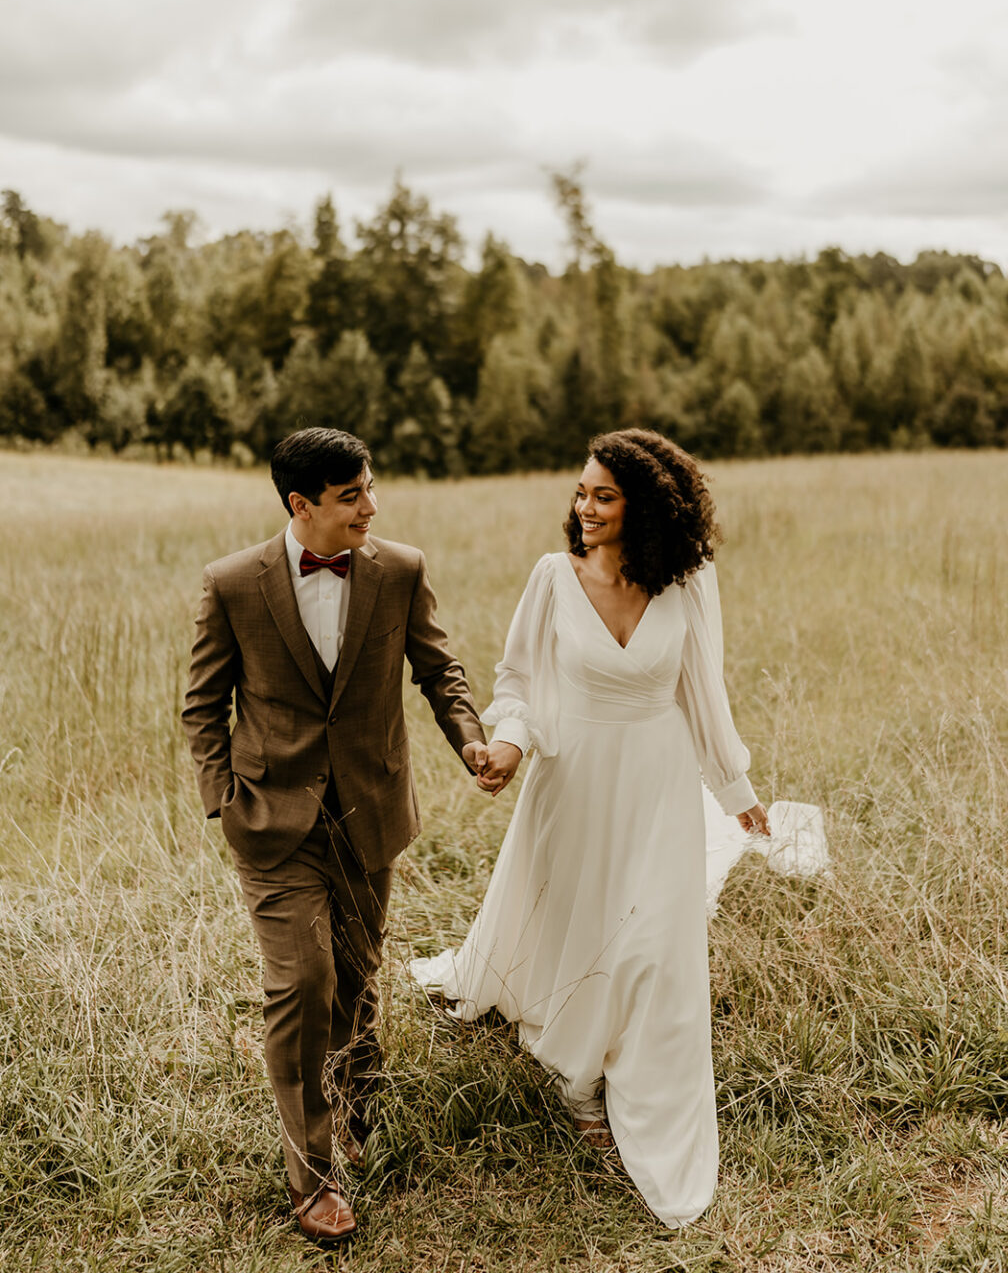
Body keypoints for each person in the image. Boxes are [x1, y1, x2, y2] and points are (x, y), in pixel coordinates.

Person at [412, 428, 769, 1227]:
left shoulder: (687, 579)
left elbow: (703, 693)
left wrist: (734, 786)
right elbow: (518, 685)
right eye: (581, 493)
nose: (585, 507)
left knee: (650, 942)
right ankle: (576, 1076)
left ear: (643, 506)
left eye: (603, 496)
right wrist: (505, 745)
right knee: (581, 926)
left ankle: (628, 1072)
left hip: (659, 783)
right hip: (572, 781)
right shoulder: (553, 577)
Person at [182, 427, 487, 1244]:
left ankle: (360, 1080)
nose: (371, 506)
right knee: (303, 982)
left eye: (370, 488)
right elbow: (202, 707)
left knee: (356, 976)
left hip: (370, 811)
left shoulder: (401, 570)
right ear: (301, 504)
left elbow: (439, 670)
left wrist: (469, 742)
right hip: (272, 822)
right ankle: (312, 1176)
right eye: (353, 495)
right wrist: (225, 800)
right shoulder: (232, 585)